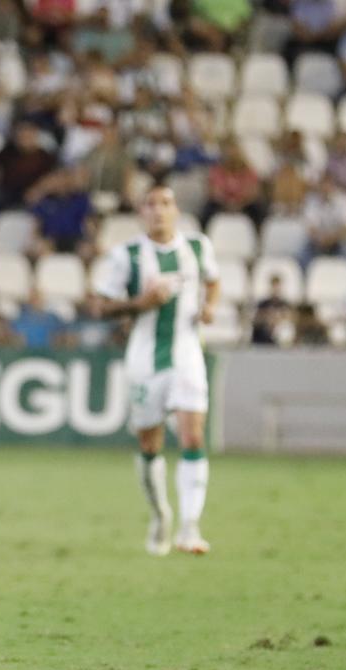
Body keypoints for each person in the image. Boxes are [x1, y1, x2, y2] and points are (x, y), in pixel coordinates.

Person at [92, 186, 220, 557]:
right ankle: (159, 513)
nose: (159, 211)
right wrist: (140, 303)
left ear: (177, 210)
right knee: (150, 443)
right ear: (141, 214)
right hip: (145, 358)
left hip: (187, 353)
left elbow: (213, 282)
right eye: (151, 205)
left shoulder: (197, 248)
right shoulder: (127, 256)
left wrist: (209, 307)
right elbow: (100, 307)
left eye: (166, 204)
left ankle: (190, 527)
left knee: (193, 436)